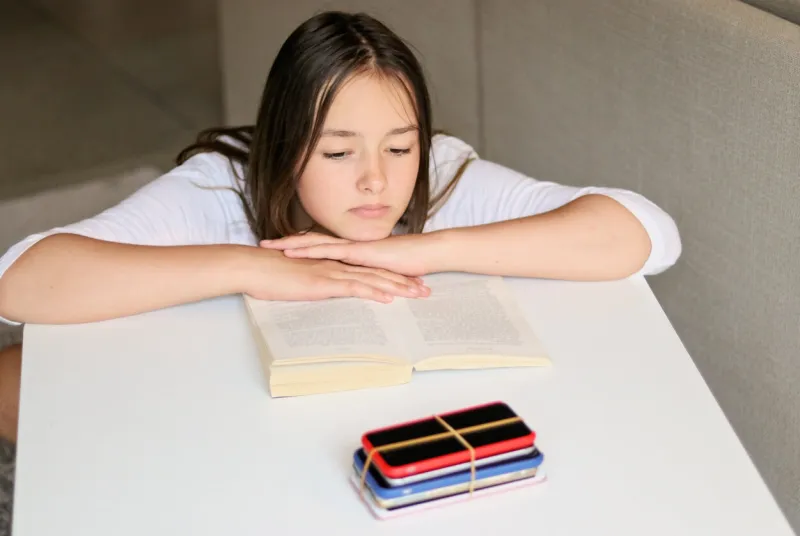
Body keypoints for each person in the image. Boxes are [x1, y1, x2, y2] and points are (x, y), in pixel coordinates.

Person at [0, 11, 681, 442]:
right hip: (218, 414)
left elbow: (647, 233)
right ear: (285, 141)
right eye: (336, 151)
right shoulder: (222, 181)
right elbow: (21, 282)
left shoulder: (439, 172)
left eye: (398, 145)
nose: (376, 181)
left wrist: (422, 247)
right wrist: (252, 267)